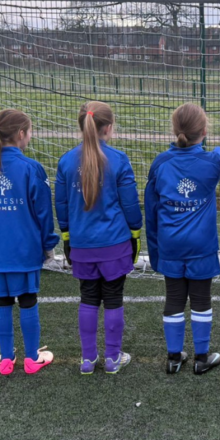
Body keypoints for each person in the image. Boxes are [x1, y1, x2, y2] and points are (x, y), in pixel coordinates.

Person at [55, 101, 142, 375]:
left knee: (88, 297)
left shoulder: (67, 161)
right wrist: (136, 234)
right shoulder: (118, 159)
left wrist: (67, 236)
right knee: (114, 297)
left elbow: (61, 204)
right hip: (114, 243)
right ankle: (113, 358)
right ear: (109, 128)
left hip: (82, 244)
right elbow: (130, 205)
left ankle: (88, 360)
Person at [0, 109, 59, 375]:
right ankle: (32, 359)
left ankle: (7, 361)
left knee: (3, 300)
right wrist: (48, 244)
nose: (30, 136)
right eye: (30, 131)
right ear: (21, 134)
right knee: (28, 298)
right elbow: (43, 213)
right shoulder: (31, 168)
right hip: (25, 249)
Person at [145, 103, 220, 375]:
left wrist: (156, 252)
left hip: (170, 244)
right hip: (201, 245)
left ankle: (173, 358)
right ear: (204, 131)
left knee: (174, 299)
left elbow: (151, 210)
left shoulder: (160, 163)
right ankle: (201, 357)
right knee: (201, 299)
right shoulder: (212, 162)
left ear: (174, 130)